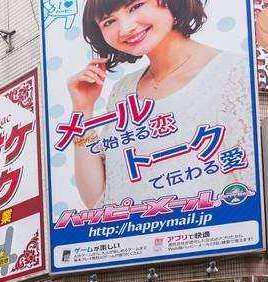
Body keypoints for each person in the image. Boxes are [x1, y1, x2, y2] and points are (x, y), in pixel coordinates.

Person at [69, 0, 254, 209]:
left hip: (215, 235)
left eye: (136, 6)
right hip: (136, 236)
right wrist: (83, 110)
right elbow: (99, 202)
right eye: (109, 21)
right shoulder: (123, 91)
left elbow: (252, 184)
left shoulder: (236, 73)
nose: (125, 28)